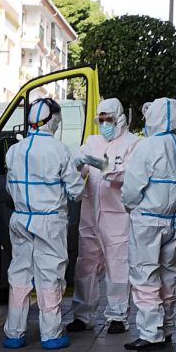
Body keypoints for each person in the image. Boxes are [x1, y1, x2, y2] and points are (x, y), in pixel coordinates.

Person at [3, 98, 86, 350]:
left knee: (19, 275)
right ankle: (50, 334)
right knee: (49, 275)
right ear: (52, 121)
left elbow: (9, 186)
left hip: (20, 219)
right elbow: (76, 191)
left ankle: (14, 334)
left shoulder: (14, 150)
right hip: (49, 221)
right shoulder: (59, 150)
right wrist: (82, 174)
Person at [120, 98, 176, 351]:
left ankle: (150, 332)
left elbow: (132, 188)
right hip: (175, 221)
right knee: (168, 275)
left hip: (148, 220)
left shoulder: (146, 147)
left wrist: (130, 205)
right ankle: (167, 327)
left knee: (144, 274)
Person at [67, 98, 140, 335]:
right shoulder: (92, 142)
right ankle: (82, 315)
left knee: (117, 266)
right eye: (101, 119)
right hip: (90, 215)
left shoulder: (133, 143)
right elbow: (77, 169)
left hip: (117, 216)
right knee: (85, 265)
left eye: (109, 119)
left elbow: (132, 176)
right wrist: (77, 164)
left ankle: (118, 316)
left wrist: (107, 168)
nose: (104, 123)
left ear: (119, 118)